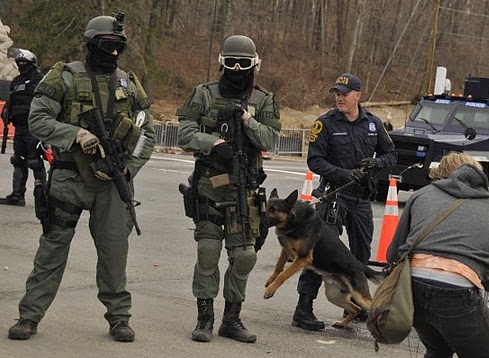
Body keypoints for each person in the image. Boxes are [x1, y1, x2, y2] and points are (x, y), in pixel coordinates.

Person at [7, 13, 156, 342]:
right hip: (69, 178)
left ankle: (119, 318)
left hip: (113, 182)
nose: (114, 53)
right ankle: (29, 316)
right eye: (107, 46)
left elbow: (148, 132)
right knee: (52, 250)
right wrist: (75, 134)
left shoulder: (129, 83)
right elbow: (37, 120)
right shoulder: (64, 77)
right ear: (91, 44)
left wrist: (129, 168)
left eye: (120, 47)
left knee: (115, 253)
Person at [177, 34, 281, 343]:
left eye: (244, 64)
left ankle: (232, 319)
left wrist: (248, 120)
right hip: (210, 185)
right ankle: (205, 317)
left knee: (245, 255)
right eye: (231, 63)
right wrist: (212, 143)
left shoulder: (263, 100)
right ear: (222, 63)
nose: (237, 69)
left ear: (254, 66)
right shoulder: (204, 95)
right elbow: (184, 133)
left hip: (245, 190)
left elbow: (270, 140)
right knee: (208, 251)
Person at [293, 73, 397, 330]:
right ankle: (303, 308)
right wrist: (343, 173)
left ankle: (358, 304)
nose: (339, 97)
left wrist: (376, 163)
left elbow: (391, 154)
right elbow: (314, 160)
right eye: (337, 93)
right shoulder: (325, 123)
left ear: (357, 96)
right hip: (335, 196)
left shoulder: (372, 124)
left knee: (360, 254)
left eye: (344, 93)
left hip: (361, 199)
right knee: (320, 252)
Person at [387, 152, 489, 357]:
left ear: (440, 174)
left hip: (411, 289)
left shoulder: (421, 195)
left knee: (437, 349)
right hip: (458, 291)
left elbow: (393, 254)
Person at [0, 49, 46, 206]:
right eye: (19, 64)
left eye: (24, 63)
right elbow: (11, 100)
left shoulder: (40, 80)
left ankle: (44, 196)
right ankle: (17, 195)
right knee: (18, 160)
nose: (21, 66)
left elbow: (45, 103)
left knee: (34, 161)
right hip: (19, 126)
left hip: (34, 126)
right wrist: (6, 112)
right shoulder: (17, 80)